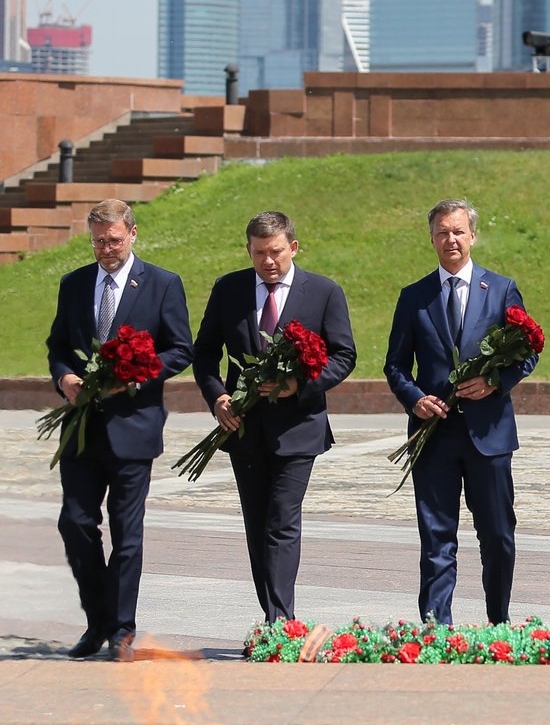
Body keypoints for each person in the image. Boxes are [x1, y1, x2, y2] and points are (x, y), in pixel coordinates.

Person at [192, 211, 356, 626]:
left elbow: (344, 355)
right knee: (257, 523)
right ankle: (272, 614)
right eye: (259, 253)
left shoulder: (323, 292)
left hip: (299, 427)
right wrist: (218, 397)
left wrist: (299, 385)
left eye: (276, 252)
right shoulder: (228, 289)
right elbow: (205, 353)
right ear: (248, 250)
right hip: (243, 427)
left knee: (282, 520)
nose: (268, 261)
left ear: (293, 248)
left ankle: (281, 621)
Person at [45, 198, 192, 662]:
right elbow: (58, 347)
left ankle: (121, 630)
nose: (105, 249)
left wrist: (134, 376)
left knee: (127, 533)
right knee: (75, 523)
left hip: (133, 426)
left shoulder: (163, 284)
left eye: (113, 240)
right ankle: (98, 621)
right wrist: (65, 378)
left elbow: (180, 349)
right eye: (97, 242)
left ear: (132, 233)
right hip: (82, 428)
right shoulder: (73, 284)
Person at [384, 198, 533, 625]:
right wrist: (415, 398)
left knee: (498, 537)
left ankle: (499, 622)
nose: (451, 239)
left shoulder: (501, 289)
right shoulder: (414, 297)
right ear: (431, 239)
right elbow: (396, 365)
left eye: (458, 231)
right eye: (442, 232)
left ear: (473, 236)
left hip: (490, 436)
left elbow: (527, 353)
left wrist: (495, 382)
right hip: (434, 436)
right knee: (436, 539)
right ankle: (437, 629)